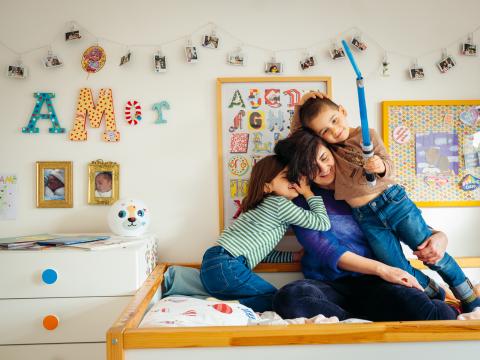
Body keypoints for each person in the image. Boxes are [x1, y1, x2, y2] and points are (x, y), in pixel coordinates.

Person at [292, 92, 480, 313]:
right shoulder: (329, 150)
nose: (334, 130)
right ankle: (436, 292)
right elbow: (299, 146)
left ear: (343, 111)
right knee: (397, 266)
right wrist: (299, 110)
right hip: (366, 217)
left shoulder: (366, 136)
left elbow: (388, 166)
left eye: (335, 121)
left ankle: (471, 300)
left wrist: (380, 166)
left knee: (430, 254)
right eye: (325, 131)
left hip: (393, 202)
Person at [272, 130, 459, 321]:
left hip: (378, 284)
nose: (323, 169)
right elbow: (328, 251)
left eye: (324, 157)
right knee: (290, 298)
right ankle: (358, 319)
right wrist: (384, 270)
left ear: (332, 151)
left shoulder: (366, 186)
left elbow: (406, 222)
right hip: (331, 286)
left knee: (435, 312)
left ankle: (366, 315)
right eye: (310, 167)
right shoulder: (304, 202)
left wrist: (440, 236)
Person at [200, 155, 331, 312]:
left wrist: (292, 257)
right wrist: (308, 192)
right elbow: (323, 223)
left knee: (271, 299)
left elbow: (260, 253)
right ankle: (230, 306)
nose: (294, 181)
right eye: (286, 177)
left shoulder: (260, 207)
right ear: (267, 187)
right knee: (277, 300)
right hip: (227, 265)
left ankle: (225, 304)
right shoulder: (279, 203)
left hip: (213, 266)